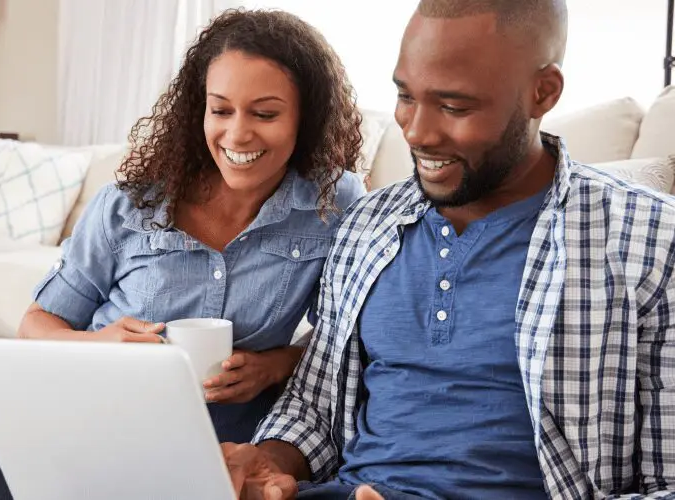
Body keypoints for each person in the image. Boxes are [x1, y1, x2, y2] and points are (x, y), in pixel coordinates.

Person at [223, 1, 675, 499]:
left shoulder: (650, 241)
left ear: (541, 92)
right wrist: (265, 464)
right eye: (405, 96)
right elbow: (313, 406)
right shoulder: (369, 225)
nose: (417, 132)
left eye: (454, 107)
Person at [0, 8, 367, 499]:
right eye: (220, 110)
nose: (237, 135)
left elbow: (340, 346)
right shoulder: (131, 203)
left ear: (306, 118)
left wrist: (275, 364)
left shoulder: (335, 203)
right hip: (103, 395)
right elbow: (37, 322)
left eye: (265, 113)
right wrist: (100, 346)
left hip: (237, 414)